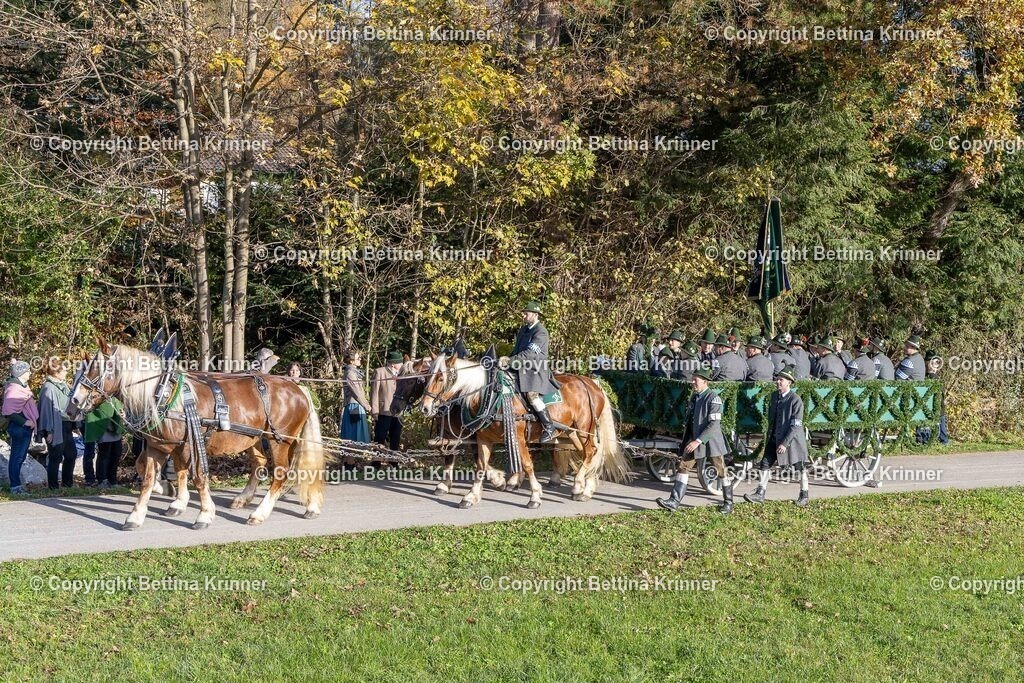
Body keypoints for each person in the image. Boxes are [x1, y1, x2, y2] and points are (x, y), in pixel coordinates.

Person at [655, 366, 734, 514]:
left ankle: (728, 502)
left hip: (711, 442)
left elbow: (714, 425)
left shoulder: (714, 398)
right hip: (695, 441)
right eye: (692, 379)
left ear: (705, 381)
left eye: (695, 380)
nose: (692, 382)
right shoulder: (695, 397)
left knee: (721, 470)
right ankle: (674, 501)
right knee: (683, 467)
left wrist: (697, 440)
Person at [744, 365, 810, 507]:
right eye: (777, 379)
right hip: (774, 438)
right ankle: (760, 494)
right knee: (765, 464)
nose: (778, 382)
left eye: (781, 380)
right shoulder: (774, 396)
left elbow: (796, 425)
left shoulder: (795, 400)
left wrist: (785, 443)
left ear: (789, 382)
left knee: (800, 467)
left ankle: (804, 495)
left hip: (792, 441)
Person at [499, 301, 561, 443]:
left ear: (535, 314)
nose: (524, 315)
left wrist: (510, 361)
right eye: (524, 313)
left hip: (535, 370)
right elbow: (517, 351)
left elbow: (530, 354)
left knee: (531, 395)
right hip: (520, 367)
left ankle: (549, 427)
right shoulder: (523, 330)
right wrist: (507, 360)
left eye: (526, 313)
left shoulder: (541, 332)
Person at [38, 357, 77, 490]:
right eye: (64, 370)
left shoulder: (64, 385)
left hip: (66, 425)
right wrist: (49, 431)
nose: (66, 372)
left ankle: (67, 484)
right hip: (55, 427)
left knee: (71, 455)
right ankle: (53, 487)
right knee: (55, 457)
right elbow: (46, 412)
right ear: (56, 372)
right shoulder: (48, 388)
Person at [2, 360, 38, 495]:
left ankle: (16, 485)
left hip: (23, 428)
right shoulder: (13, 388)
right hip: (19, 428)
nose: (29, 373)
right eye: (27, 371)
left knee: (19, 457)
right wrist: (25, 422)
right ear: (21, 372)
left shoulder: (21, 386)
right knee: (17, 457)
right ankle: (15, 487)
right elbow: (8, 410)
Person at [371, 351, 405, 450]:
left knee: (395, 438)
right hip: (383, 411)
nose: (402, 364)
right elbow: (374, 392)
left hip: (398, 412)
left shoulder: (403, 374)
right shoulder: (379, 372)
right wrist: (375, 411)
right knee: (380, 438)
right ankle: (376, 462)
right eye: (400, 363)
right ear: (393, 364)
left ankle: (393, 462)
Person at [87, 398, 124, 489]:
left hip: (115, 432)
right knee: (104, 456)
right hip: (105, 432)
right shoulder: (99, 398)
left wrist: (123, 414)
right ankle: (102, 480)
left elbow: (120, 410)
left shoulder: (116, 398)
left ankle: (113, 480)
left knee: (116, 455)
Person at [340, 348, 371, 444]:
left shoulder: (354, 372)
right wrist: (366, 405)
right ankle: (350, 459)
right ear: (352, 361)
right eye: (358, 358)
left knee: (356, 433)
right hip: (354, 407)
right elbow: (356, 392)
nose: (360, 360)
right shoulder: (350, 373)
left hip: (357, 405)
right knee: (354, 433)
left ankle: (352, 458)